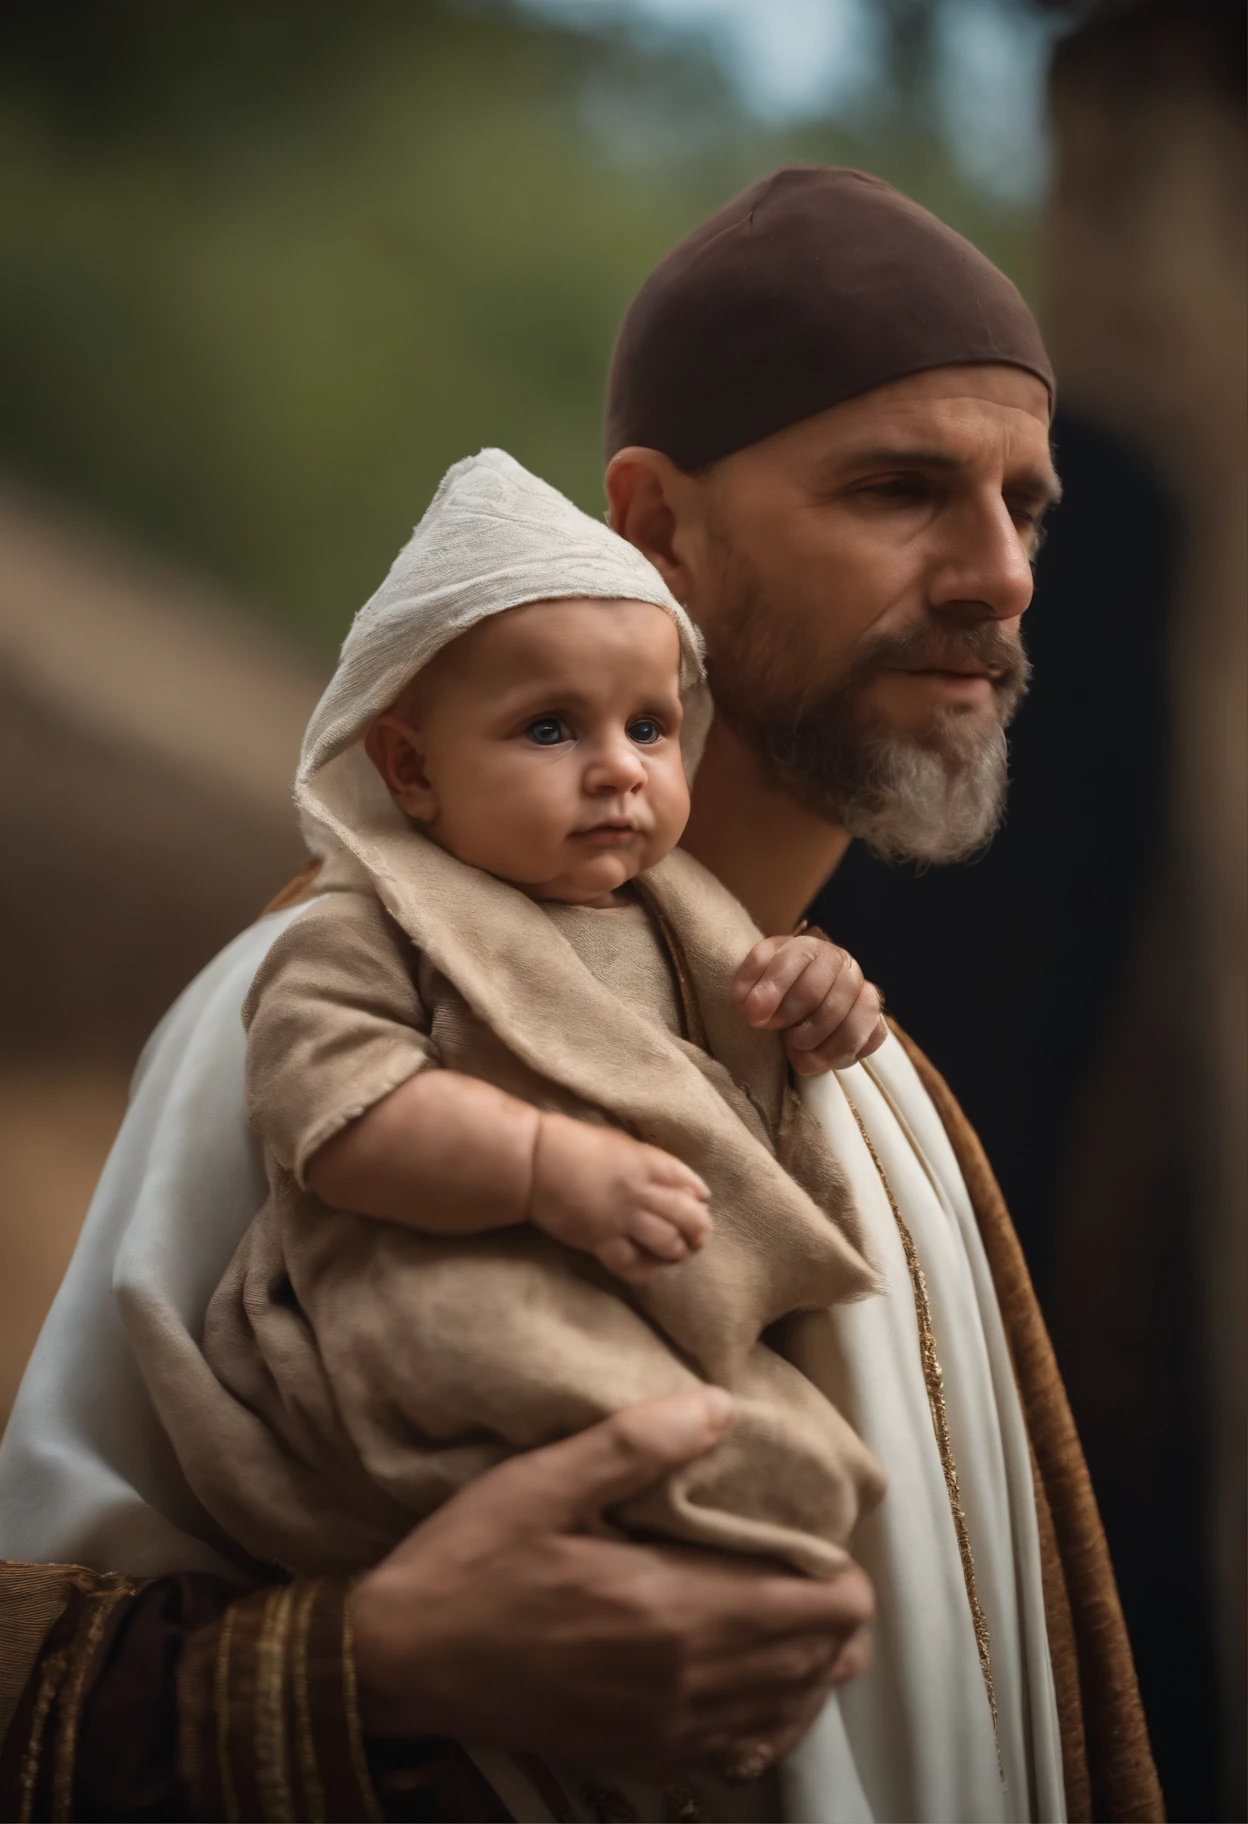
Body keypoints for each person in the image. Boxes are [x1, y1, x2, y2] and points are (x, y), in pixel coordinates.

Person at [0, 167, 1161, 1824]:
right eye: (903, 487)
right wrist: (372, 1662)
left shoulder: (877, 1076)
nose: (998, 574)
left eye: (1022, 506)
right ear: (658, 528)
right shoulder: (316, 1004)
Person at [145, 446, 888, 1616]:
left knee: (811, 1469)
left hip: (653, 1314)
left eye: (649, 728)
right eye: (551, 730)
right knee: (510, 1366)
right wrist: (543, 1166)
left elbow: (751, 1065)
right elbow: (338, 1115)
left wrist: (816, 991)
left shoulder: (684, 926)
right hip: (439, 1277)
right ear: (411, 767)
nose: (617, 773)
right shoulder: (363, 933)